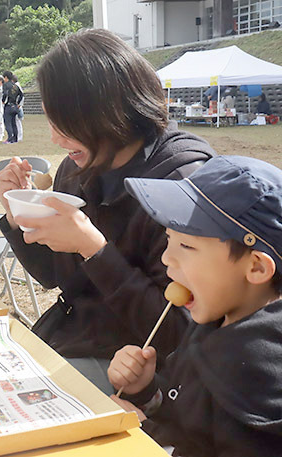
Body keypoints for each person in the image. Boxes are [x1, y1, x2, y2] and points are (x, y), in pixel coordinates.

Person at [0, 29, 216, 394]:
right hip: (72, 338)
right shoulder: (77, 168)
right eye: (52, 122)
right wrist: (18, 216)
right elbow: (54, 275)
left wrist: (95, 250)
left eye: (65, 124)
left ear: (110, 111)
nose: (54, 138)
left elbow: (179, 330)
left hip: (143, 372)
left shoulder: (183, 183)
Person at [109, 156, 282, 456]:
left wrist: (143, 435)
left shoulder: (257, 375)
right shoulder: (216, 318)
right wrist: (146, 391)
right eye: (169, 239)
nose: (166, 258)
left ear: (255, 267)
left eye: (187, 246)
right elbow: (185, 413)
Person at [1, 70, 23, 144]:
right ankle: (15, 138)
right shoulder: (15, 85)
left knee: (7, 123)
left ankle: (10, 138)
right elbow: (21, 95)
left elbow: (5, 94)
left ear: (6, 77)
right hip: (15, 106)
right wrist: (18, 102)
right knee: (14, 123)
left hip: (8, 106)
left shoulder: (6, 85)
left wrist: (3, 101)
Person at [12, 74, 24, 142]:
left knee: (17, 121)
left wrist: (19, 104)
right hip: (16, 105)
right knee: (16, 121)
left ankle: (19, 136)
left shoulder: (17, 86)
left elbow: (21, 96)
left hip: (17, 106)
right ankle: (18, 136)